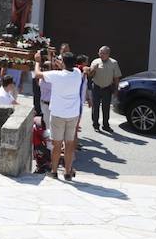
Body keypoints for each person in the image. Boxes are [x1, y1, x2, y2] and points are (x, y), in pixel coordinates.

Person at [33, 51, 83, 180]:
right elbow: (68, 70)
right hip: (73, 114)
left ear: (63, 63)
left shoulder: (56, 75)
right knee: (69, 144)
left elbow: (38, 74)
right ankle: (67, 172)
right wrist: (62, 64)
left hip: (58, 114)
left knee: (56, 144)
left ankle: (54, 171)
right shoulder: (78, 73)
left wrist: (37, 61)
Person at [88, 46, 121, 132]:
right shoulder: (95, 61)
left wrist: (116, 90)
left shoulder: (114, 63)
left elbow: (116, 78)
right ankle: (95, 125)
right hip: (96, 87)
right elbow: (90, 75)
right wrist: (93, 69)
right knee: (95, 107)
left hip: (107, 88)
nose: (101, 55)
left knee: (106, 108)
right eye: (100, 53)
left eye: (103, 53)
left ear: (108, 54)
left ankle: (106, 125)